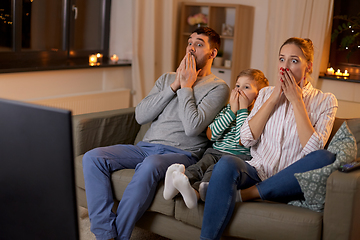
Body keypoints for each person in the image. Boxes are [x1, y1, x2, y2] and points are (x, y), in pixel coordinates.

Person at [82, 27, 230, 240]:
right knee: (93, 158)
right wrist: (174, 86)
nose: (191, 49)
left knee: (150, 165)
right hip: (145, 147)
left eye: (199, 44)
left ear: (212, 53)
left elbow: (192, 127)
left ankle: (119, 236)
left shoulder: (218, 88)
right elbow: (141, 116)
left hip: (182, 153)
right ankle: (105, 234)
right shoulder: (167, 79)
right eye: (189, 43)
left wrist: (186, 87)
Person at [200, 37, 338, 240]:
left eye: (294, 60)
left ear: (308, 66)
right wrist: (274, 98)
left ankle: (249, 194)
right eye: (282, 59)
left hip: (290, 180)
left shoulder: (325, 101)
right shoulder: (264, 94)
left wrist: (296, 101)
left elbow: (313, 152)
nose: (285, 67)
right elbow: (246, 139)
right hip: (258, 171)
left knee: (325, 157)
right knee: (227, 162)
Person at [163, 69, 269, 209]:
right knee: (198, 168)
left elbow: (242, 140)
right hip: (214, 152)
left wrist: (243, 110)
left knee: (213, 171)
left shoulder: (256, 117)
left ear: (258, 96)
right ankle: (175, 186)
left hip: (236, 159)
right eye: (237, 86)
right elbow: (211, 135)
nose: (239, 91)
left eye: (246, 87)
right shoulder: (227, 110)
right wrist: (232, 112)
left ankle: (196, 195)